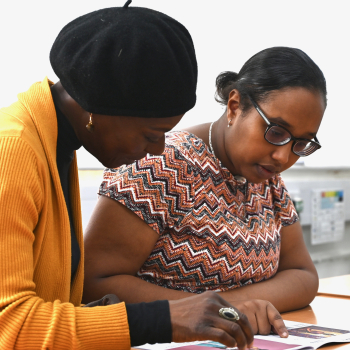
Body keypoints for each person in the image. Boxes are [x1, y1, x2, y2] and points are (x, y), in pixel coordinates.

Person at [0, 2, 283, 349]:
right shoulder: (11, 150)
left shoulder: (57, 141)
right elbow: (9, 326)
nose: (156, 150)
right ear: (95, 107)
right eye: (151, 135)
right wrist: (164, 318)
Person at [83, 46, 326, 335]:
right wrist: (224, 311)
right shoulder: (161, 167)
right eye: (276, 132)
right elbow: (94, 283)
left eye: (301, 144)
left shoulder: (266, 178)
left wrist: (229, 309)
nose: (283, 157)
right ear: (235, 106)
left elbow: (303, 275)